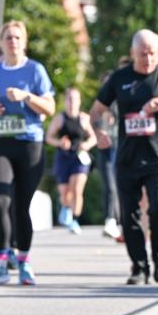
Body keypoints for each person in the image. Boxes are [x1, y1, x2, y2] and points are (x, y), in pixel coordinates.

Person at [90, 29, 158, 285]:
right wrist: (98, 132)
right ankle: (139, 266)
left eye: (152, 53)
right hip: (127, 158)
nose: (148, 58)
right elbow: (96, 111)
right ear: (132, 54)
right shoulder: (119, 79)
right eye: (142, 53)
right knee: (129, 214)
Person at [0, 20, 55, 287]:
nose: (13, 42)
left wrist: (25, 97)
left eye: (17, 38)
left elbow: (49, 109)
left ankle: (23, 262)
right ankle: (0, 263)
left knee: (21, 207)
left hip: (30, 145)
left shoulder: (36, 70)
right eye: (8, 37)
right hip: (1, 143)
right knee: (0, 201)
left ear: (24, 42)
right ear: (0, 42)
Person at [46, 86, 97, 234]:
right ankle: (66, 207)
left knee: (77, 189)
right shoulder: (59, 118)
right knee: (65, 192)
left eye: (75, 99)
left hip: (79, 158)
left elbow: (93, 138)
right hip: (63, 157)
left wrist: (86, 144)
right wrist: (60, 143)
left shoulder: (84, 118)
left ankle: (75, 220)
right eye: (69, 99)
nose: (72, 102)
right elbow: (49, 137)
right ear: (65, 101)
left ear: (79, 101)